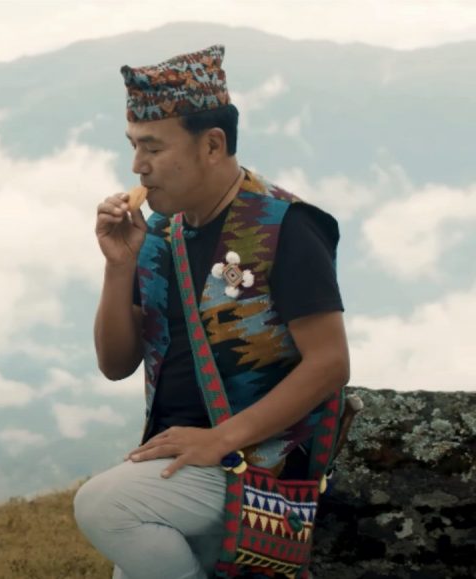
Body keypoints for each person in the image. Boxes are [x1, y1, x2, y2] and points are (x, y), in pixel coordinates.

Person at [73, 45, 349, 579]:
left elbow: (330, 363)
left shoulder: (288, 226)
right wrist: (118, 266)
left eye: (153, 147)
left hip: (262, 469)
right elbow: (115, 363)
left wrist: (221, 439)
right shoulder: (158, 232)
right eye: (133, 145)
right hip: (183, 461)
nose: (137, 166)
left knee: (104, 506)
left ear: (213, 145)